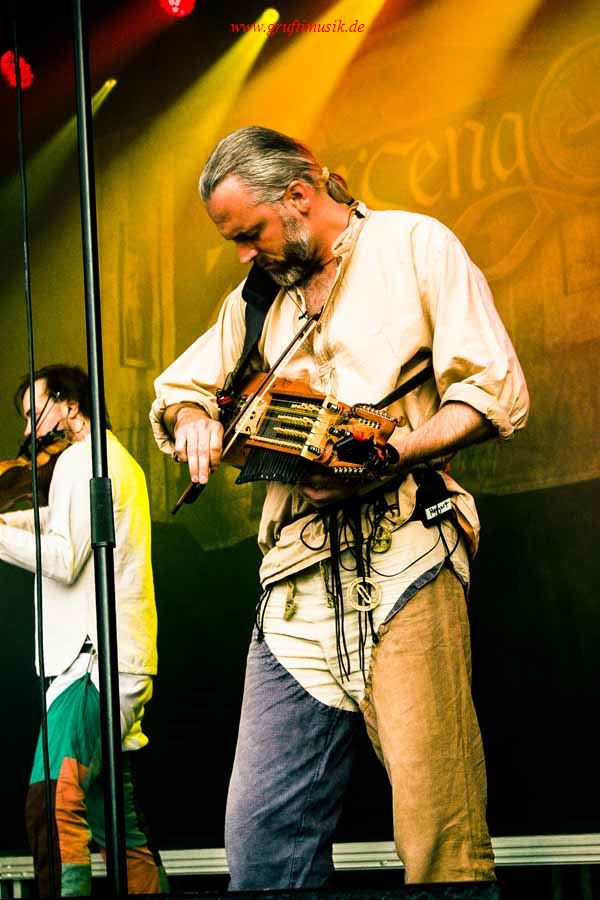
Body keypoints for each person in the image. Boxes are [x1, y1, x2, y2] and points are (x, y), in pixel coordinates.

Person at [150, 125, 530, 889]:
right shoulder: (256, 299)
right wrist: (192, 419)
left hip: (405, 559)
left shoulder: (413, 246)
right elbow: (180, 389)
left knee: (439, 833)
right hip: (296, 585)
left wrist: (395, 453)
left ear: (299, 196)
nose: (242, 254)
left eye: (249, 233)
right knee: (261, 843)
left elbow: (493, 392)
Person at [0, 365, 167, 897]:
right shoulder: (113, 460)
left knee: (53, 802)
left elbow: (64, 556)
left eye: (35, 413)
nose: (28, 429)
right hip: (114, 658)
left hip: (93, 661)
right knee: (118, 824)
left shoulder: (80, 459)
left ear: (69, 405)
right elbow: (62, 521)